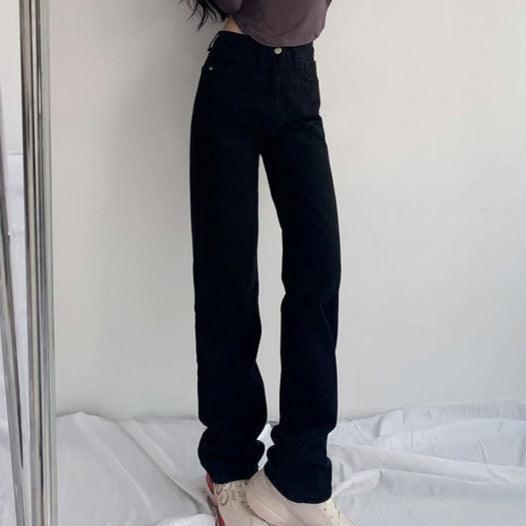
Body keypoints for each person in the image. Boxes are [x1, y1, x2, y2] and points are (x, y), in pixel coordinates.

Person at [187, 1, 351, 524]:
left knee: (318, 273)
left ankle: (299, 475)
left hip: (300, 76)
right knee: (228, 279)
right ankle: (228, 465)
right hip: (234, 72)